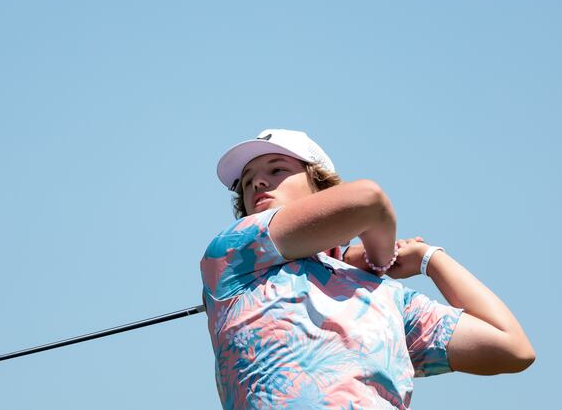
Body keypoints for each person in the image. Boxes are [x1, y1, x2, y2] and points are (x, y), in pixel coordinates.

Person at [200, 129, 535, 409]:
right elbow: (369, 201)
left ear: (321, 187)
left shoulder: (387, 296)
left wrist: (428, 258)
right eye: (247, 181)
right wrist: (381, 258)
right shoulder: (230, 253)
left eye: (277, 170)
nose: (258, 183)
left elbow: (511, 348)